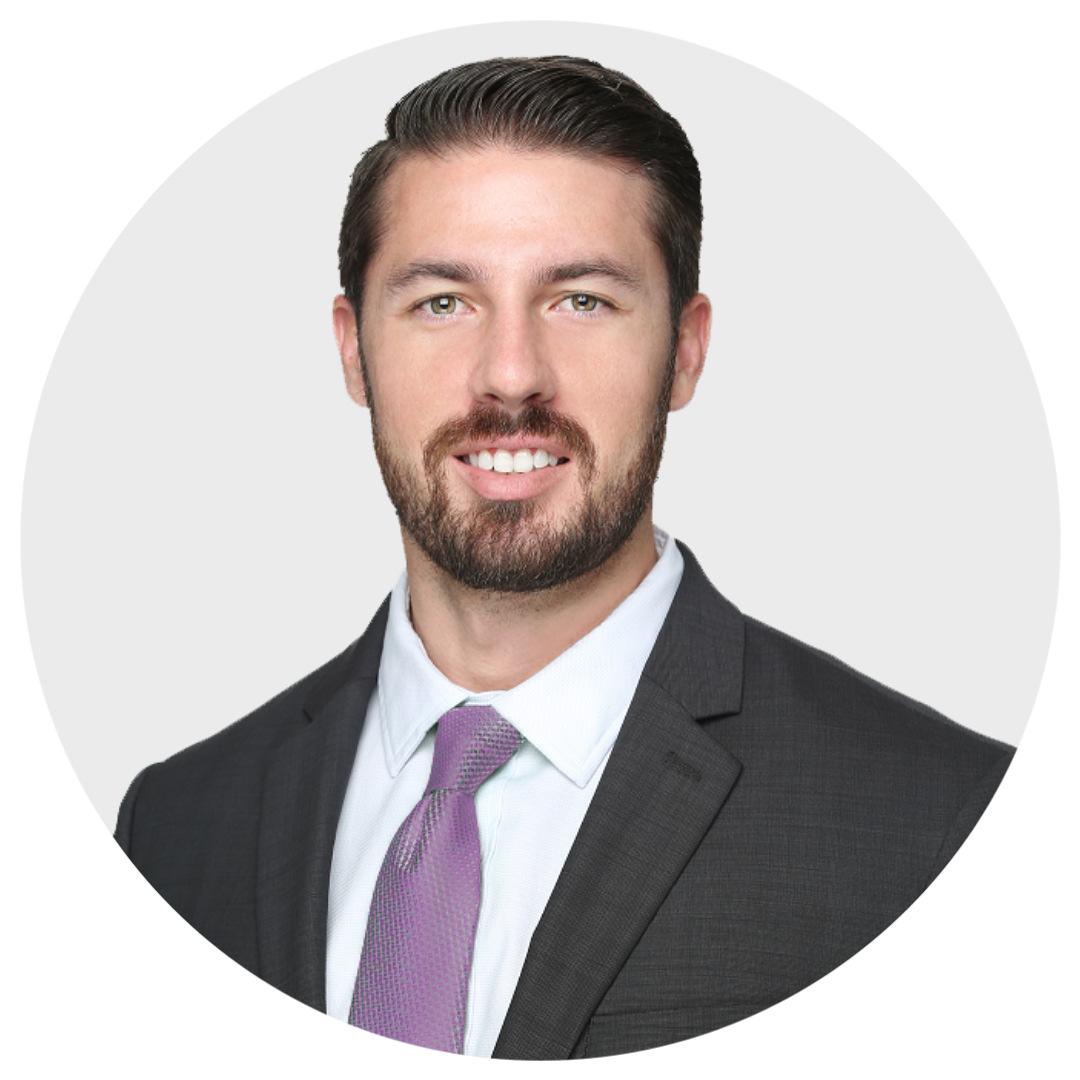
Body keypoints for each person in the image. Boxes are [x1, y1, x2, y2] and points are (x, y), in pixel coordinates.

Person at [114, 55, 1015, 1059]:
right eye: (443, 301)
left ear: (684, 350)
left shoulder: (947, 827)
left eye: (580, 300)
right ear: (353, 349)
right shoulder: (176, 828)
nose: (511, 376)